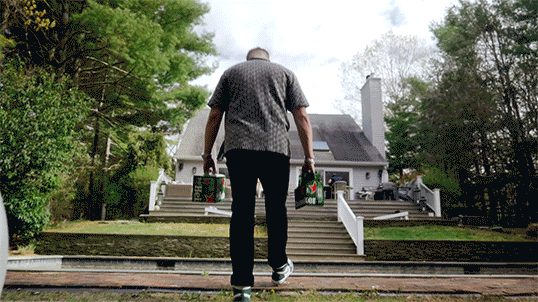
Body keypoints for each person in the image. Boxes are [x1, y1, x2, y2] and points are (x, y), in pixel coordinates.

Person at [202, 47, 315, 302]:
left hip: (239, 150)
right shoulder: (285, 74)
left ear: (248, 59)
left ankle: (242, 286)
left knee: (242, 213)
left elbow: (214, 116)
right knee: (276, 209)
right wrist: (309, 158)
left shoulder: (231, 73)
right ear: (267, 59)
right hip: (275, 149)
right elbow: (302, 117)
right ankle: (278, 266)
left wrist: (207, 154)